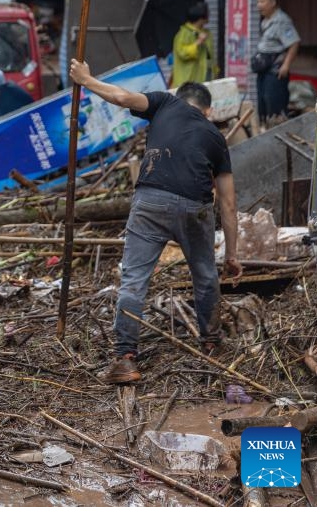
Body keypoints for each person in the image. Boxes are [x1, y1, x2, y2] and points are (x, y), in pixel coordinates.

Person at [68, 59, 241, 384]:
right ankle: (211, 345)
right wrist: (231, 255)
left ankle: (126, 359)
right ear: (208, 110)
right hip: (195, 205)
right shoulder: (216, 136)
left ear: (180, 97)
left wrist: (87, 80)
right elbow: (229, 205)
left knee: (134, 279)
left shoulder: (164, 102)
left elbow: (121, 98)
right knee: (205, 275)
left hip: (150, 199)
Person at [255, 0, 301, 123]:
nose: (259, 5)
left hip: (276, 72)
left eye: (262, 1)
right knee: (263, 104)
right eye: (258, 2)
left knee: (274, 106)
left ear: (273, 3)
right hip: (264, 70)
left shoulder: (282, 20)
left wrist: (286, 65)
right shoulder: (265, 21)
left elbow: (294, 42)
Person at [171, 2, 215, 88]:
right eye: (207, 13)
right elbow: (182, 52)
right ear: (201, 17)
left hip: (205, 78)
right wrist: (198, 42)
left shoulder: (206, 32)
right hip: (187, 80)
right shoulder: (184, 33)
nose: (209, 15)